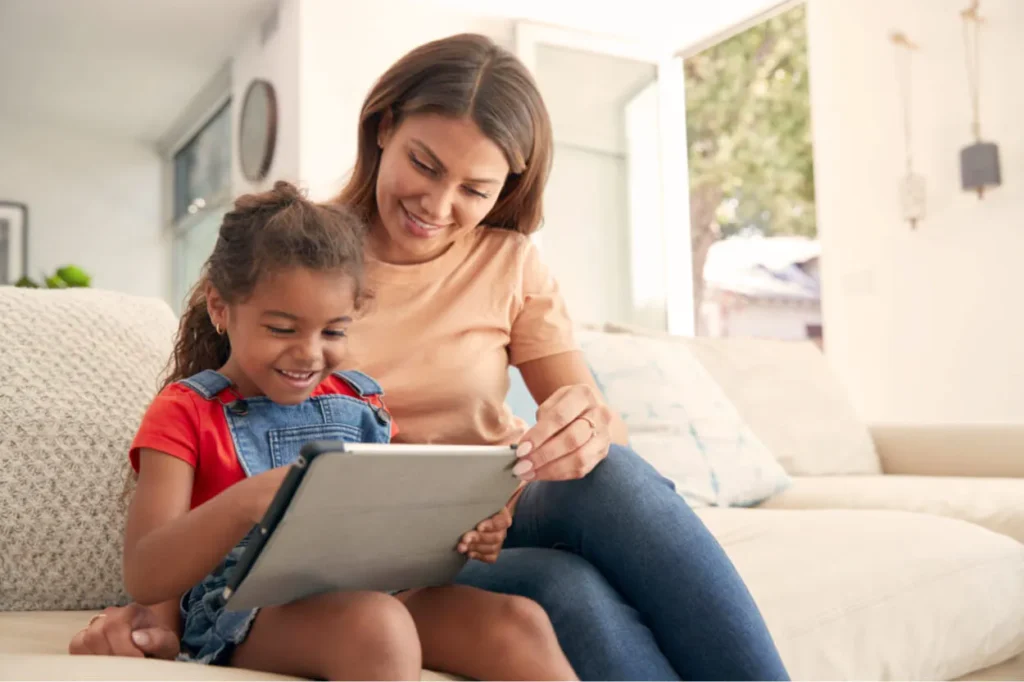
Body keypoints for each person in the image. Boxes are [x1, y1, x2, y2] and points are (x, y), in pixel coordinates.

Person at [71, 34, 789, 681]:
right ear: (384, 128)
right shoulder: (300, 258)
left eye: (475, 189)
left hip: (495, 510)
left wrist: (584, 422)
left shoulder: (511, 262)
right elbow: (205, 435)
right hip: (375, 537)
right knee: (570, 591)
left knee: (619, 476)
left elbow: (597, 441)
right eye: (424, 163)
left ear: (505, 188)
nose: (438, 204)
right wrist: (156, 612)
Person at [94, 179, 576, 681]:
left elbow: (390, 528)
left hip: (375, 588)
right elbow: (146, 572)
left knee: (519, 623)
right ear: (221, 307)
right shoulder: (185, 411)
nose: (309, 353)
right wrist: (251, 501)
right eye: (282, 328)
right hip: (243, 610)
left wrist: (468, 532)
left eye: (333, 331)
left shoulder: (360, 403)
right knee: (378, 626)